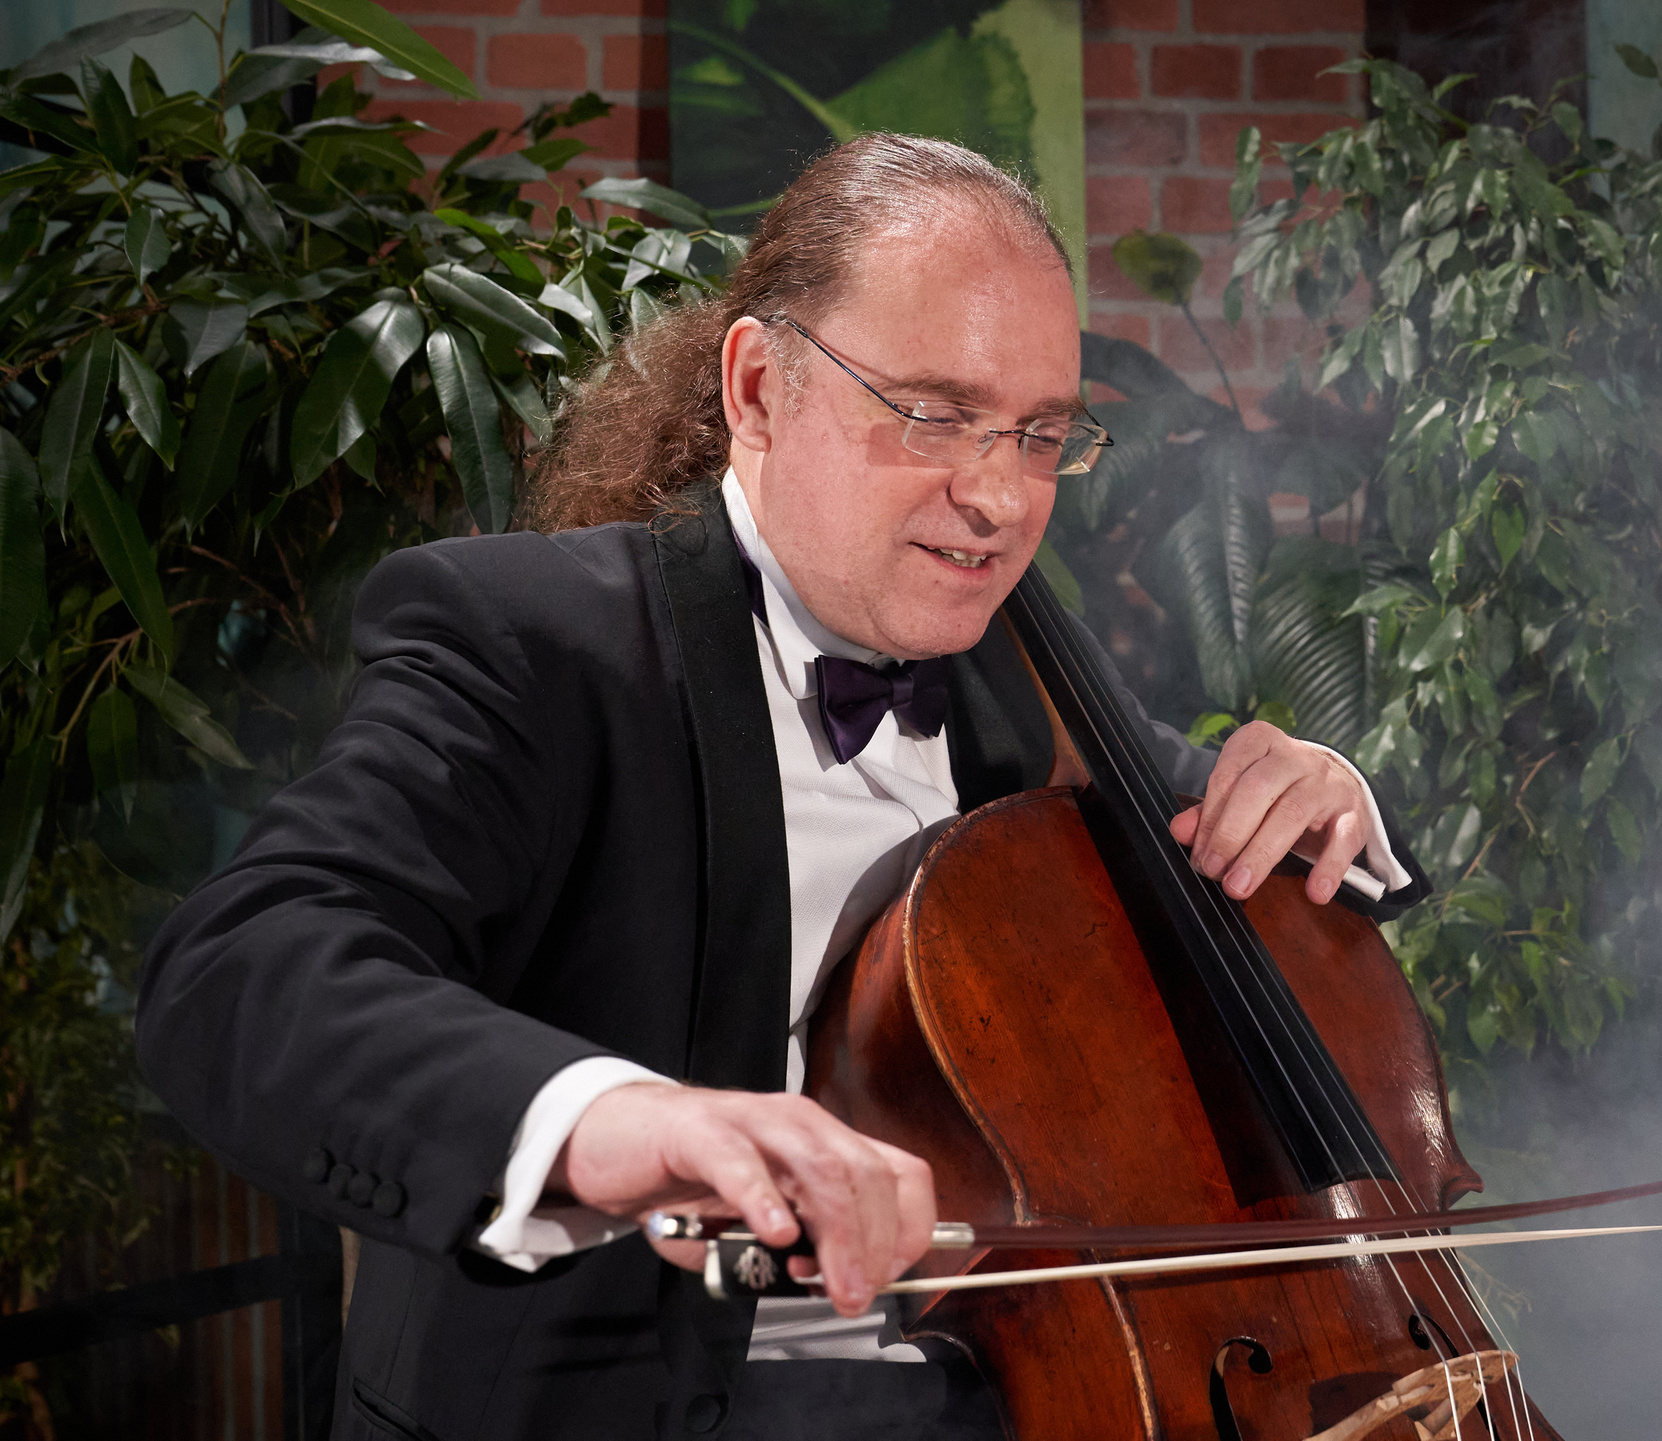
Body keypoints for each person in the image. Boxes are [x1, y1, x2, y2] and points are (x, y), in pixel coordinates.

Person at [134, 135, 1428, 1441]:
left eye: (1041, 434)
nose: (998, 496)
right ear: (757, 387)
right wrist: (617, 1116)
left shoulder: (1015, 685)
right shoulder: (532, 644)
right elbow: (244, 969)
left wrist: (1332, 793)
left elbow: (1250, 825)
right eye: (933, 411)